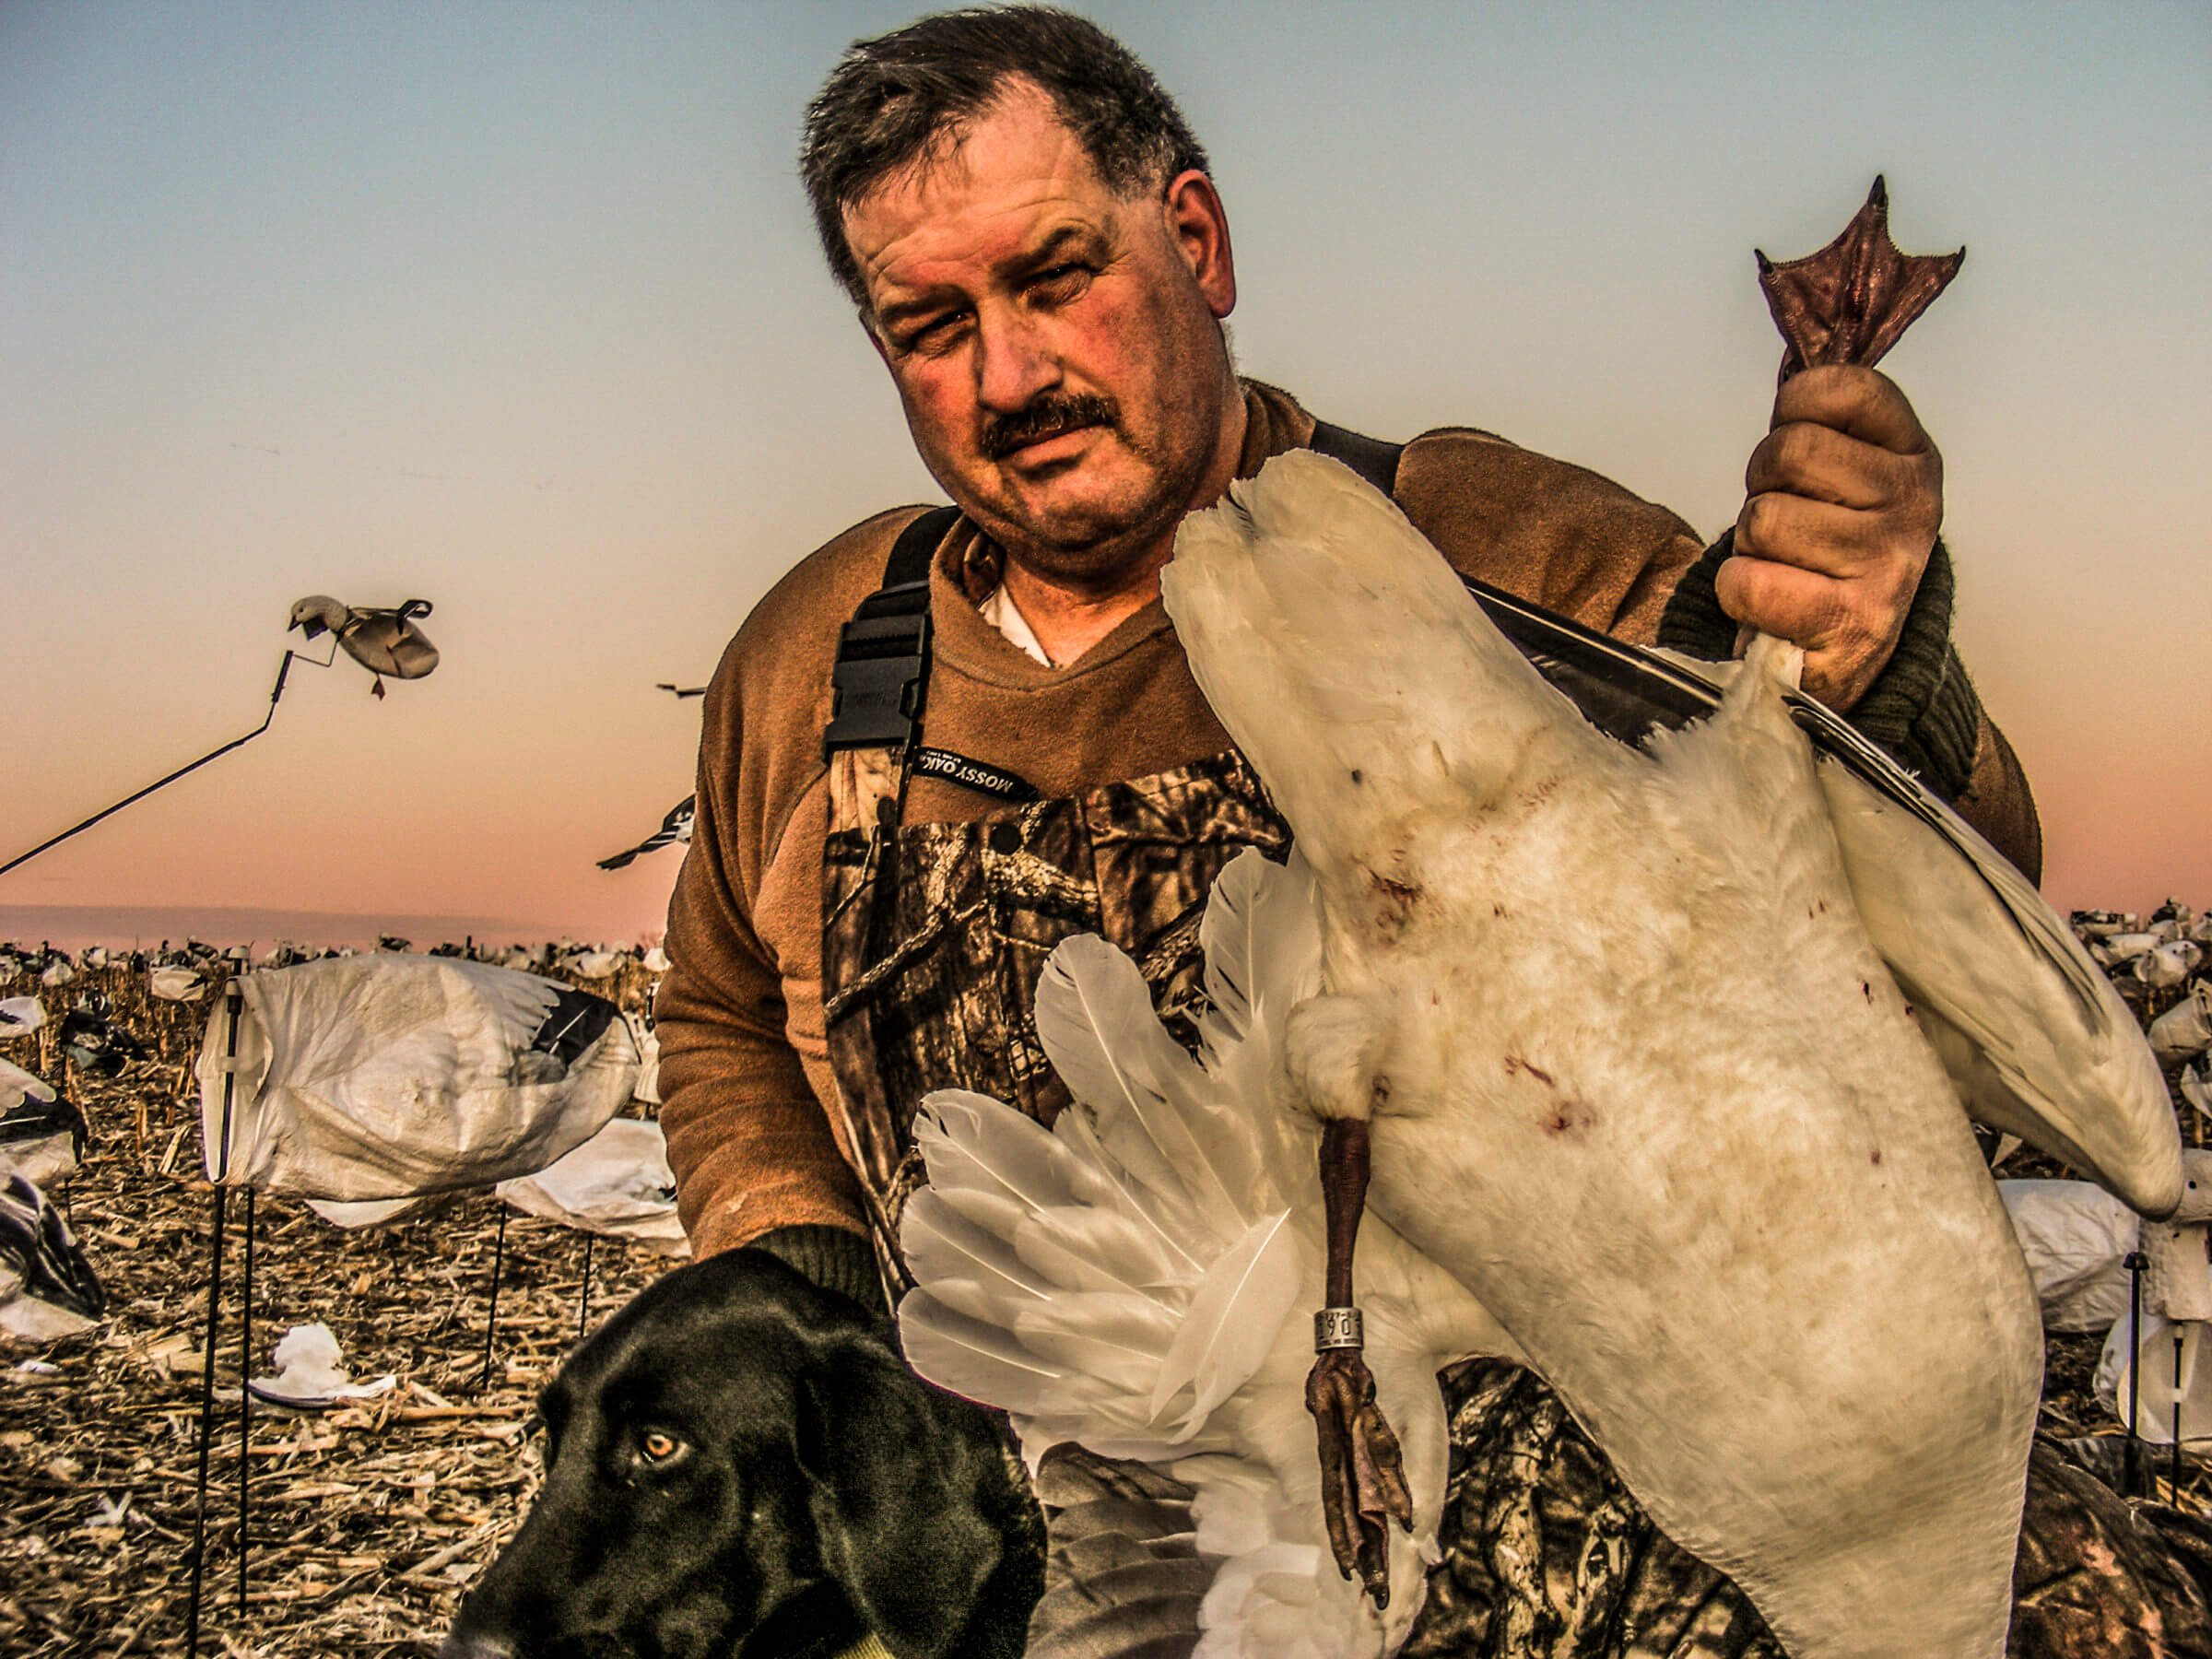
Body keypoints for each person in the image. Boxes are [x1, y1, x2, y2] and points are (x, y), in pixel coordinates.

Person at [656, 7, 2203, 1653]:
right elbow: (721, 1008)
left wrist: (1877, 661)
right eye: (928, 325)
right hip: (1153, 1534)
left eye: (1055, 276)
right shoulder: (824, 660)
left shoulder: (1488, 548)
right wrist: (803, 1295)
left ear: (1195, 237)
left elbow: (1928, 867)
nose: (1009, 374)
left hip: (1625, 1532)